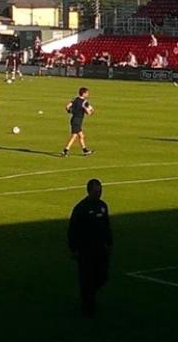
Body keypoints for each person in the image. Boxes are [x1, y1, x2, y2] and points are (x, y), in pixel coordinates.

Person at [67, 178, 112, 317]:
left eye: (100, 191)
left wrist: (109, 243)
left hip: (100, 249)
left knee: (102, 276)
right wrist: (74, 249)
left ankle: (90, 295)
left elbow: (106, 226)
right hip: (85, 250)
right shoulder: (81, 208)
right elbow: (72, 230)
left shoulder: (103, 206)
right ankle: (88, 307)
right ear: (89, 191)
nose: (99, 194)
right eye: (96, 191)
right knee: (86, 278)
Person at [62, 87, 94, 157]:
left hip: (74, 119)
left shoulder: (75, 99)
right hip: (78, 121)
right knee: (74, 136)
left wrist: (72, 111)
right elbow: (89, 113)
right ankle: (65, 150)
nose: (88, 94)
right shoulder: (85, 102)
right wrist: (87, 109)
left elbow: (67, 107)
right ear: (84, 93)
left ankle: (85, 150)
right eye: (87, 93)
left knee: (81, 135)